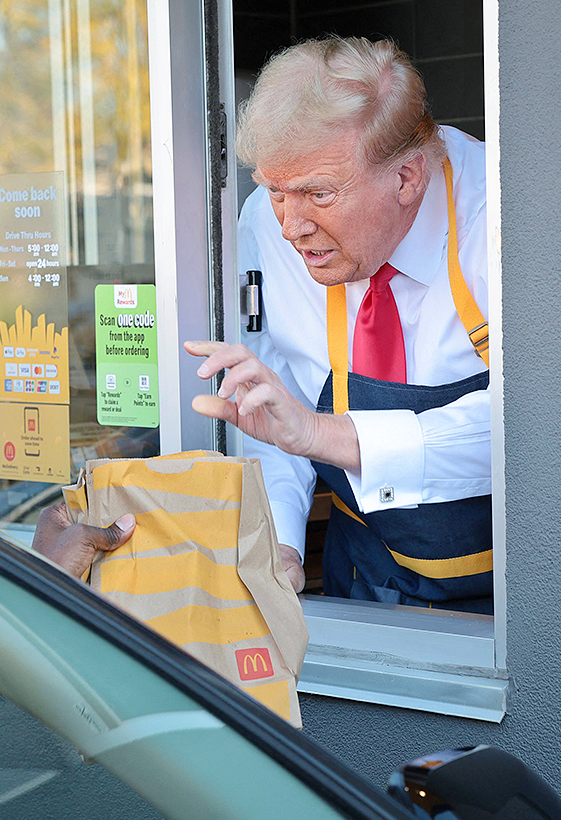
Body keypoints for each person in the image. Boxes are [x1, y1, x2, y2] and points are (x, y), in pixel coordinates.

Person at [187, 37, 492, 613]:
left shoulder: (500, 217)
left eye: (319, 194)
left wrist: (325, 436)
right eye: (276, 191)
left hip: (519, 604)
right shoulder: (265, 221)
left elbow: (528, 429)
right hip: (366, 580)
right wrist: (279, 543)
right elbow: (274, 411)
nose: (291, 227)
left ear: (407, 178)